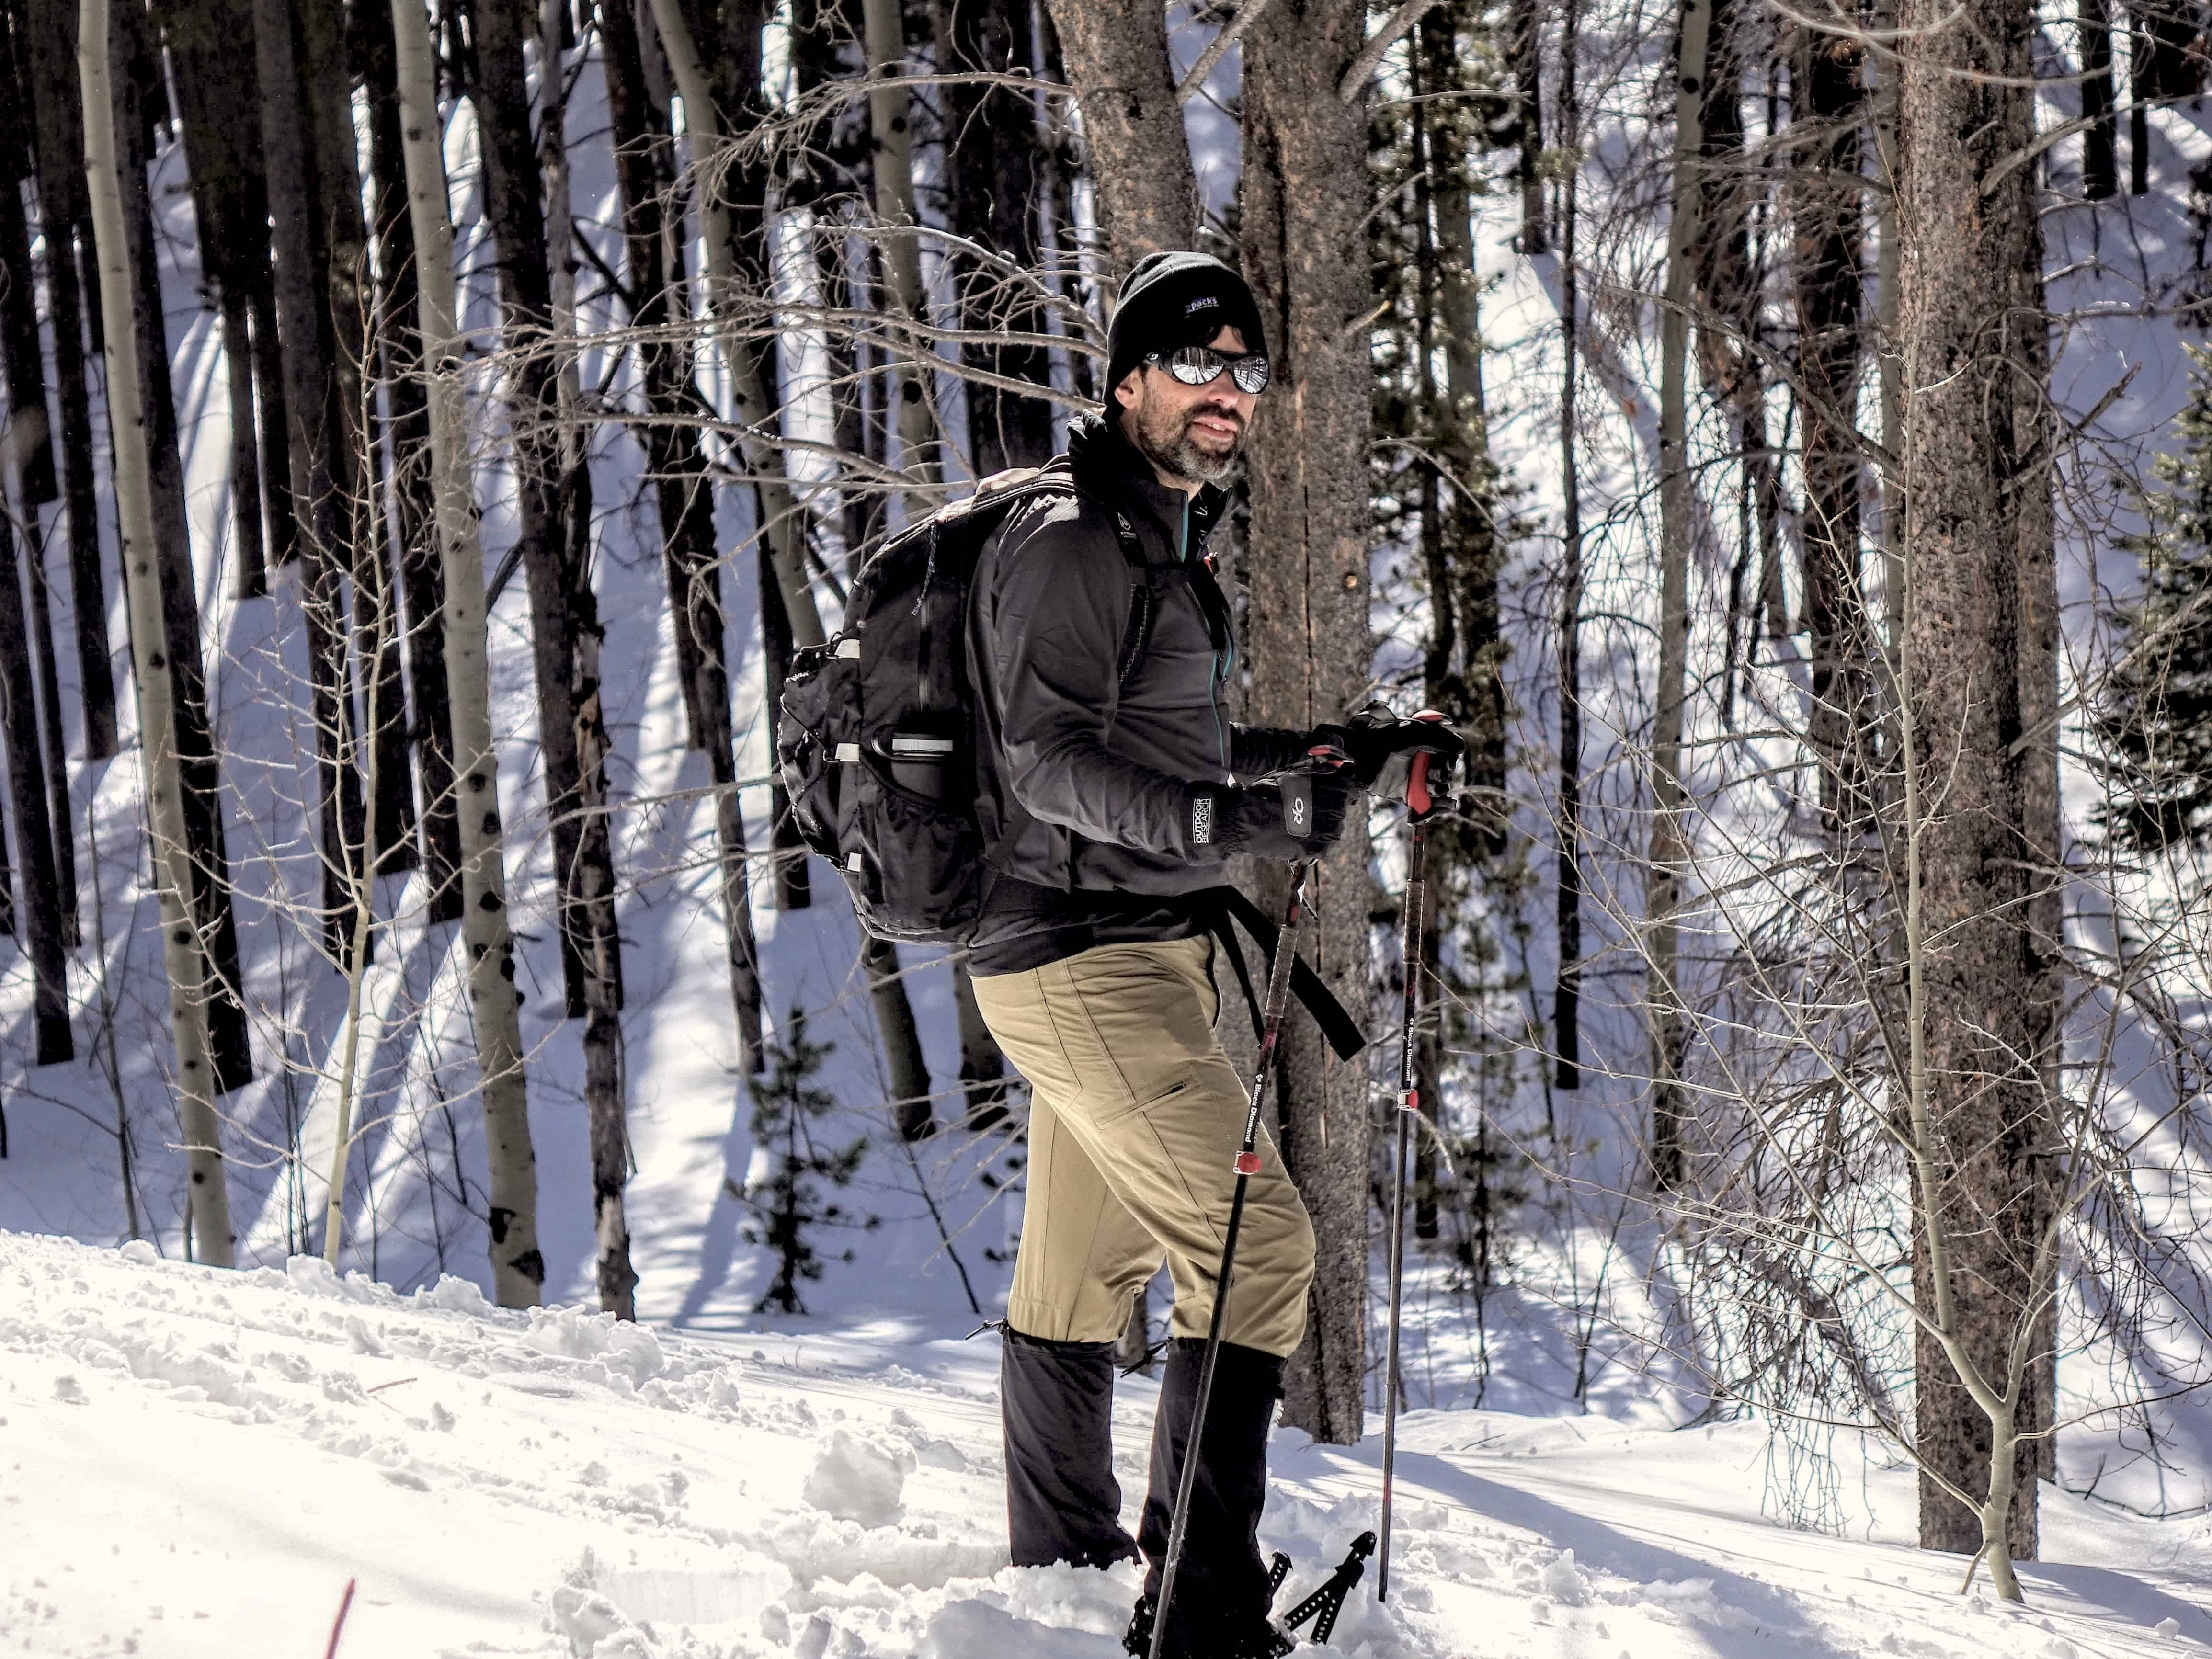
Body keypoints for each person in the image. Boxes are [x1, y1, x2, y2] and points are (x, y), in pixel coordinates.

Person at [963, 251, 1462, 1658]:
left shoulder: (1151, 543)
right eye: (1195, 364)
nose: (1225, 392)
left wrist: (1334, 762)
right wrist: (1228, 815)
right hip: (1078, 956)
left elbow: (1170, 756)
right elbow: (1046, 762)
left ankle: (1058, 1572)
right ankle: (1197, 1615)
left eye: (1245, 369)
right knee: (1258, 1248)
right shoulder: (1072, 541)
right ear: (1126, 380)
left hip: (1132, 945)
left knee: (1078, 1275)